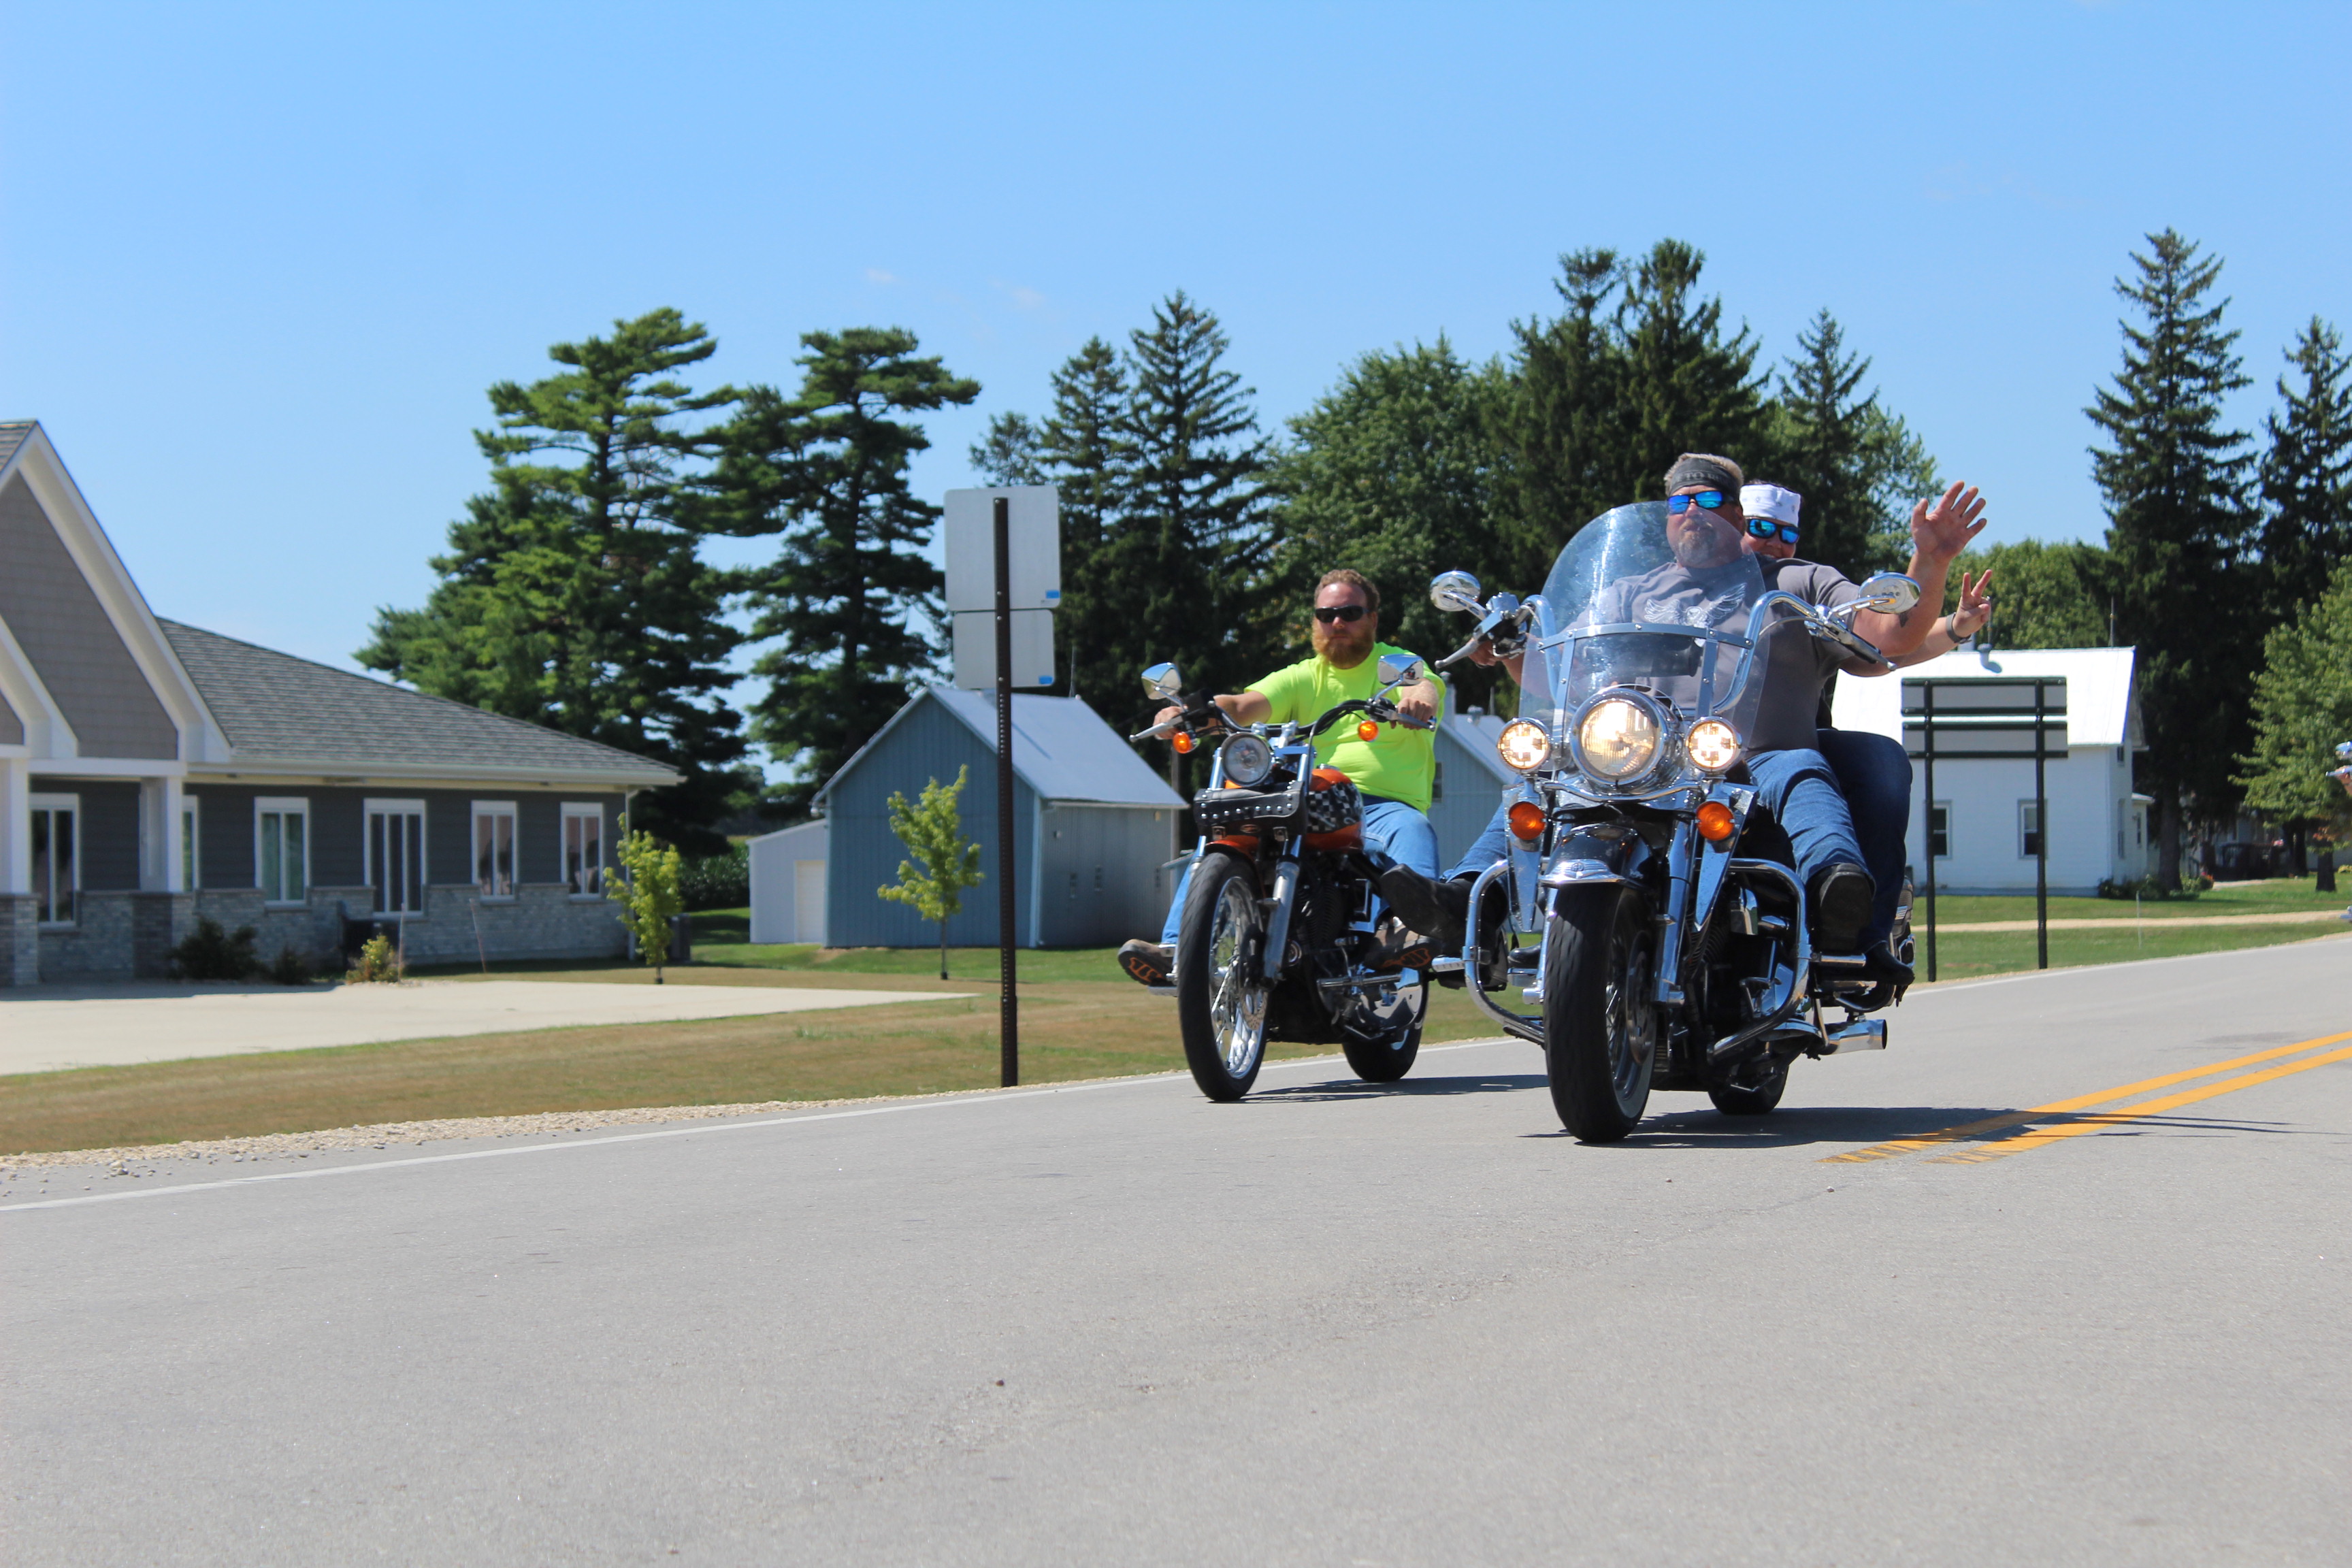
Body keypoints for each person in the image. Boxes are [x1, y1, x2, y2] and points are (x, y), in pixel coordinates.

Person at [1385, 453, 1984, 972]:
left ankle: (1837, 891)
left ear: (1737, 515)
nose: (1693, 510)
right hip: (1636, 761)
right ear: (1667, 516)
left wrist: (1929, 560)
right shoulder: (1629, 591)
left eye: (1710, 499)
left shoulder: (1798, 582)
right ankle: (1467, 898)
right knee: (1541, 772)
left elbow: (1890, 634)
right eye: (1680, 501)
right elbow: (1556, 672)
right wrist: (1512, 649)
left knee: (1800, 767)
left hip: (1751, 760)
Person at [1116, 568, 1446, 987]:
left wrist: (1416, 701)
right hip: (1309, 797)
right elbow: (1243, 704)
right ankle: (1178, 948)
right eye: (1326, 615)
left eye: (1349, 613)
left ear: (1372, 619)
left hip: (1380, 806)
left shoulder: (1398, 665)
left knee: (1412, 828)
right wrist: (1188, 713)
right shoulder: (1303, 675)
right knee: (1226, 827)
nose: (1337, 623)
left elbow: (1423, 688)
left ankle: (1409, 932)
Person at [1737, 483, 1992, 971]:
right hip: (1659, 758)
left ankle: (1860, 928)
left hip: (1773, 755)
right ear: (1728, 525)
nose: (1774, 543)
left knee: (1876, 759)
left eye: (1787, 534)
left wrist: (1935, 573)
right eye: (1761, 527)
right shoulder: (1661, 587)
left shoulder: (1802, 584)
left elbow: (1883, 645)